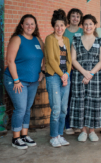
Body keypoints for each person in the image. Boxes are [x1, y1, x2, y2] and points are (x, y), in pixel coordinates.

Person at [3, 14, 45, 150]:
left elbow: (46, 57)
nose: (30, 26)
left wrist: (42, 71)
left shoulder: (38, 40)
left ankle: (24, 135)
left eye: (32, 24)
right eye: (27, 24)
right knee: (20, 108)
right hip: (16, 80)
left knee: (27, 108)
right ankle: (16, 138)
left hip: (32, 81)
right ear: (21, 25)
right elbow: (10, 61)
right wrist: (16, 80)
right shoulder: (17, 39)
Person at [69, 14, 101, 142]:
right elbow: (73, 59)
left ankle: (92, 131)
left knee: (93, 103)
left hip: (95, 77)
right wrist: (84, 72)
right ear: (82, 26)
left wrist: (90, 74)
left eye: (91, 24)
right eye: (85, 24)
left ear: (95, 25)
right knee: (81, 103)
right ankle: (83, 131)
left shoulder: (100, 41)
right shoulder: (76, 40)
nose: (88, 26)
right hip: (79, 76)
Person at [44, 9, 72, 148]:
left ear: (65, 26)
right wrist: (62, 75)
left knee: (63, 109)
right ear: (53, 27)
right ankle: (53, 136)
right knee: (56, 108)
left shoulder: (66, 40)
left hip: (65, 76)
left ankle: (60, 135)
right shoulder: (50, 39)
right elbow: (51, 60)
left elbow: (69, 60)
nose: (59, 28)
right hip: (54, 77)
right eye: (57, 25)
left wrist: (66, 74)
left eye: (62, 25)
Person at [63, 8, 83, 135]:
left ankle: (77, 123)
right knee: (68, 97)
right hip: (66, 69)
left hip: (80, 69)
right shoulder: (63, 31)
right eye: (73, 16)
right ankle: (67, 124)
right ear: (69, 18)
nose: (75, 18)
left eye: (77, 16)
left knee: (78, 97)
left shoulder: (83, 30)